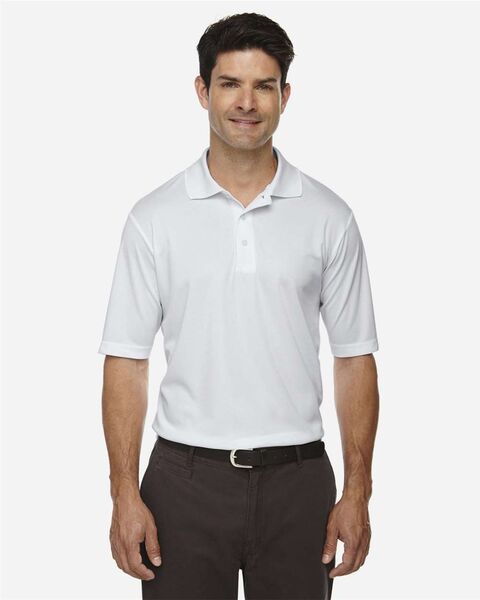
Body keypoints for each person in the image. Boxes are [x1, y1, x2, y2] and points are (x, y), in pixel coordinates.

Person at [98, 12, 379, 600]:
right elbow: (126, 360)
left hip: (299, 483)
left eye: (263, 86)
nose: (246, 103)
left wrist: (358, 491)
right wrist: (123, 492)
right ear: (203, 91)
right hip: (183, 484)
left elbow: (355, 358)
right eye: (230, 84)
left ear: (285, 97)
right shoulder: (154, 218)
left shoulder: (329, 217)